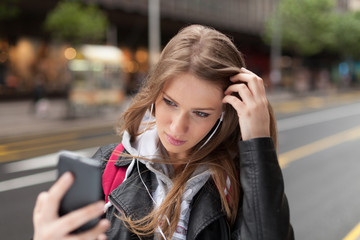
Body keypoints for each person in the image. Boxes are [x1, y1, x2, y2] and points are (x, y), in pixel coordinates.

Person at [33, 24, 294, 240]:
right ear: (155, 92)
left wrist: (259, 141)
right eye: (170, 103)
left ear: (225, 114)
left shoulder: (238, 184)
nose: (177, 127)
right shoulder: (108, 169)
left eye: (201, 113)